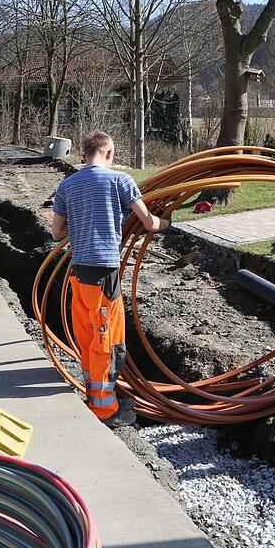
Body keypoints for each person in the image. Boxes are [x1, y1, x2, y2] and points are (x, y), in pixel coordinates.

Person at [51, 132, 170, 427]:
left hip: (78, 275)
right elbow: (149, 223)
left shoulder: (67, 186)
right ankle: (104, 409)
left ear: (84, 154)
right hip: (105, 275)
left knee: (89, 337)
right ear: (109, 153)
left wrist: (81, 222)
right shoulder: (120, 181)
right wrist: (168, 222)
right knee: (108, 341)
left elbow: (56, 234)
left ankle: (97, 395)